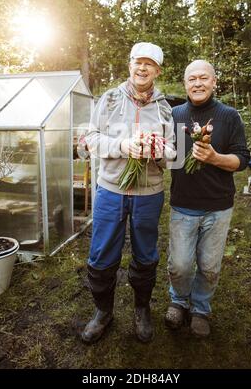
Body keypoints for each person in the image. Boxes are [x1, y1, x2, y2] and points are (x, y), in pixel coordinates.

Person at [81, 42, 176, 344]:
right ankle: (103, 312)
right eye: (138, 62)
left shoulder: (164, 107)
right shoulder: (108, 100)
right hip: (111, 191)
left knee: (146, 253)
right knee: (101, 254)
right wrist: (121, 146)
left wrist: (160, 152)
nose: (142, 68)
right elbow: (90, 139)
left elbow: (177, 153)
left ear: (157, 70)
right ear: (130, 64)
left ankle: (141, 308)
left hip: (149, 193)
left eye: (150, 64)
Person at [165, 59, 250, 337]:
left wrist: (214, 157)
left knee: (210, 266)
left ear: (214, 82)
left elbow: (242, 160)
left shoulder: (229, 116)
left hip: (217, 206)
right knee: (179, 265)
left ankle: (200, 308)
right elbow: (169, 155)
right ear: (185, 83)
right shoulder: (174, 114)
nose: (198, 84)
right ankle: (179, 301)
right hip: (183, 204)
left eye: (204, 78)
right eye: (192, 79)